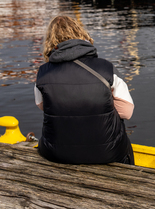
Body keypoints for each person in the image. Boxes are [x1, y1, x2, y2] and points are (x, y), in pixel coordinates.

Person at [34, 15, 135, 165]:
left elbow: (44, 106)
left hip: (56, 153)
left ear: (50, 41)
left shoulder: (42, 73)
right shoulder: (105, 68)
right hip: (107, 153)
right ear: (81, 34)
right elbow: (127, 112)